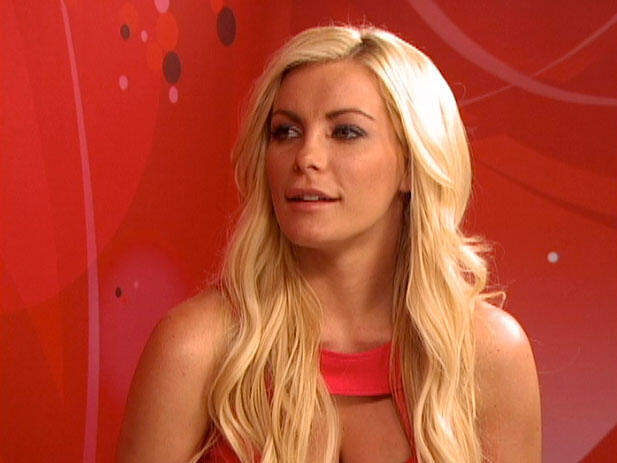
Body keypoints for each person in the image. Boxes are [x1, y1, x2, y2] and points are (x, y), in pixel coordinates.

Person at [116, 25, 541, 463]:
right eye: (286, 132)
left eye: (345, 132)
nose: (306, 158)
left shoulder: (490, 355)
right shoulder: (196, 348)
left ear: (411, 165)